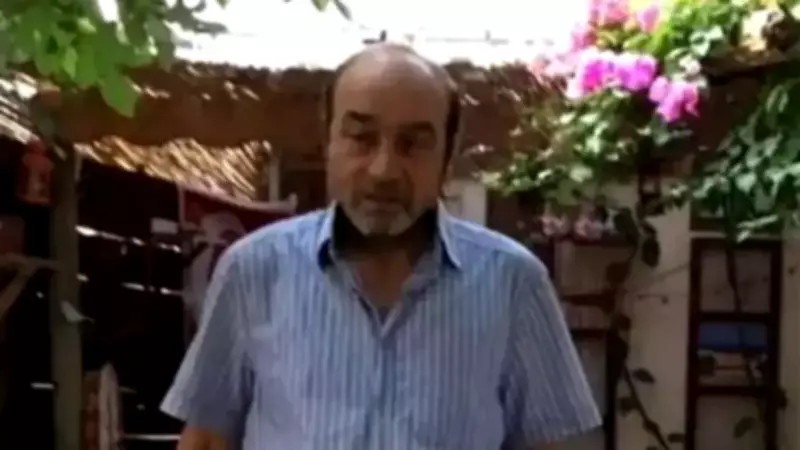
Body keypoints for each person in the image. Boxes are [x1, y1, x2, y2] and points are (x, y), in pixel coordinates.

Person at [162, 43, 601, 450]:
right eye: (361, 137)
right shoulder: (253, 271)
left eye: (413, 144)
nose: (384, 169)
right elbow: (205, 441)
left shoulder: (513, 283)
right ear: (328, 142)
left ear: (448, 157)